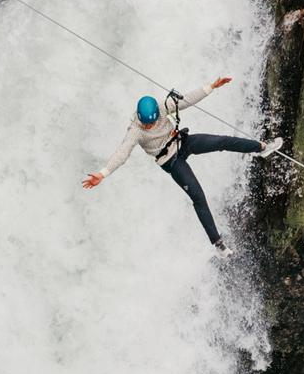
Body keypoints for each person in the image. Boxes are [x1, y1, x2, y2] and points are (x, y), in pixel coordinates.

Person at [81, 77, 282, 252]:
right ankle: (218, 243)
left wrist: (211, 87)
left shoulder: (160, 108)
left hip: (182, 142)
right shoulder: (136, 130)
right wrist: (103, 173)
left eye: (152, 123)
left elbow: (186, 100)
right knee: (198, 195)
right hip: (170, 161)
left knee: (222, 141)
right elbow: (122, 152)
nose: (150, 126)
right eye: (147, 124)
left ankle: (262, 148)